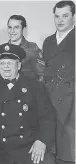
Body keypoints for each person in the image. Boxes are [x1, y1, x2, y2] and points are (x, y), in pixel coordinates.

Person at [0, 43, 56, 164]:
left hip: (28, 146)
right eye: (2, 63)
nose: (5, 67)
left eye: (10, 63)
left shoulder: (35, 87)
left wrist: (41, 141)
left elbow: (47, 118)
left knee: (47, 162)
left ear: (19, 65)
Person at [42, 1, 75, 164]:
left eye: (65, 16)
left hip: (72, 101)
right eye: (57, 16)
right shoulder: (48, 41)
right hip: (50, 98)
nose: (60, 20)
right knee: (51, 149)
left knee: (68, 150)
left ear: (73, 17)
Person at [7, 15, 45, 81]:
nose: (12, 31)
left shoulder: (32, 48)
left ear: (23, 29)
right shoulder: (3, 49)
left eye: (16, 27)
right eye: (10, 27)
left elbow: (42, 75)